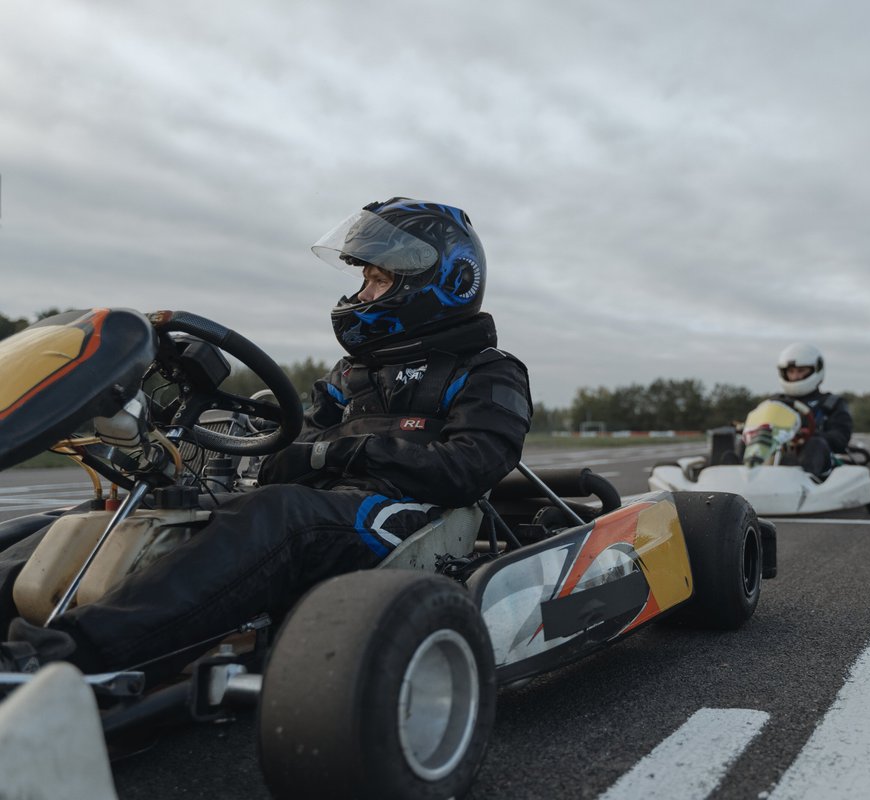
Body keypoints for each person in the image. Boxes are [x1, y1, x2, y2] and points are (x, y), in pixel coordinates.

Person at [0, 197, 532, 676]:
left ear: (437, 283)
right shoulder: (354, 375)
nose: (362, 293)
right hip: (324, 509)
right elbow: (291, 455)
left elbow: (471, 467)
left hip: (408, 520)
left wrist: (337, 452)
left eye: (378, 281)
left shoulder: (489, 371)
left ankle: (64, 660)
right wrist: (289, 453)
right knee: (143, 512)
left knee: (274, 516)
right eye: (363, 279)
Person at [768, 342, 852, 479]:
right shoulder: (774, 402)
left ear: (816, 370)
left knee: (814, 443)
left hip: (818, 466)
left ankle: (801, 486)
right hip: (773, 459)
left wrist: (807, 435)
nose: (795, 376)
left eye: (801, 371)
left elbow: (840, 439)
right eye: (791, 372)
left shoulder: (831, 403)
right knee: (736, 439)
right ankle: (735, 485)